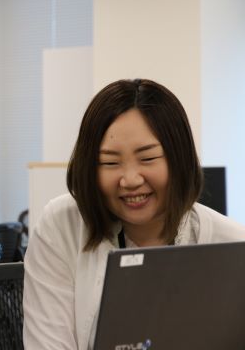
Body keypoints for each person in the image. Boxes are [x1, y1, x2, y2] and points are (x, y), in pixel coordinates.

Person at [23, 79, 245, 350]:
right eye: (109, 162)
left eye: (148, 158)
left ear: (179, 158)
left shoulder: (232, 244)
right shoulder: (62, 227)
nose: (130, 180)